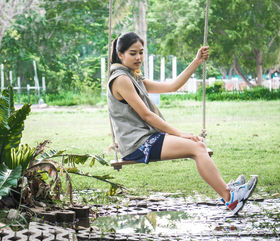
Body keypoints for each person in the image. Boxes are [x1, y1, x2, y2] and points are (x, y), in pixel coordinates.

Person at [107, 32, 257, 215]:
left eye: (141, 52)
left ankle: (228, 192)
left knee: (198, 145)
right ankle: (230, 198)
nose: (138, 57)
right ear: (120, 54)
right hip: (137, 144)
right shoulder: (121, 79)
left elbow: (172, 86)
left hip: (146, 138)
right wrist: (179, 133)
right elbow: (147, 115)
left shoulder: (134, 77)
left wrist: (197, 61)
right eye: (132, 53)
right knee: (197, 148)